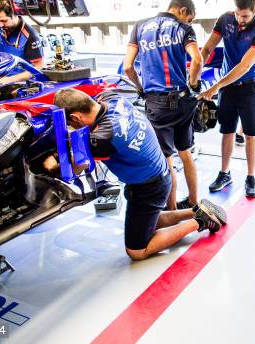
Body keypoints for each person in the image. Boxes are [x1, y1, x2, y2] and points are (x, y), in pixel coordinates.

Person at [45, 88, 227, 260]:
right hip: (159, 173)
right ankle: (196, 211)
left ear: (75, 117)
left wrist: (54, 160)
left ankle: (200, 221)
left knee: (136, 251)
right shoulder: (111, 98)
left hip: (148, 188)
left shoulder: (102, 139)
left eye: (70, 123)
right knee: (148, 221)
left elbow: (76, 168)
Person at [123, 0, 203, 211]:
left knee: (167, 160)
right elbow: (197, 59)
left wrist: (140, 88)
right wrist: (193, 84)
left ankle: (172, 211)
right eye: (190, 19)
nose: (190, 23)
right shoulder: (183, 29)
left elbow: (128, 67)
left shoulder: (140, 27)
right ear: (183, 10)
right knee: (186, 153)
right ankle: (194, 201)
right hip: (183, 99)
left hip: (157, 103)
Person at [200, 0, 255, 197]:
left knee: (250, 133)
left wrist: (216, 85)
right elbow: (208, 48)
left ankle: (250, 176)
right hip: (227, 87)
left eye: (245, 16)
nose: (240, 19)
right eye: (238, 14)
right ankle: (224, 173)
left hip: (250, 86)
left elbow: (244, 66)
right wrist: (194, 73)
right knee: (227, 131)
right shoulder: (225, 19)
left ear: (254, 12)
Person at [0, 0, 44, 91]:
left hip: (21, 84)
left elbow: (38, 67)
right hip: (2, 76)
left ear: (16, 15)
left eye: (4, 21)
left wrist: (9, 80)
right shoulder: (1, 26)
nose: (0, 25)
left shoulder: (31, 36)